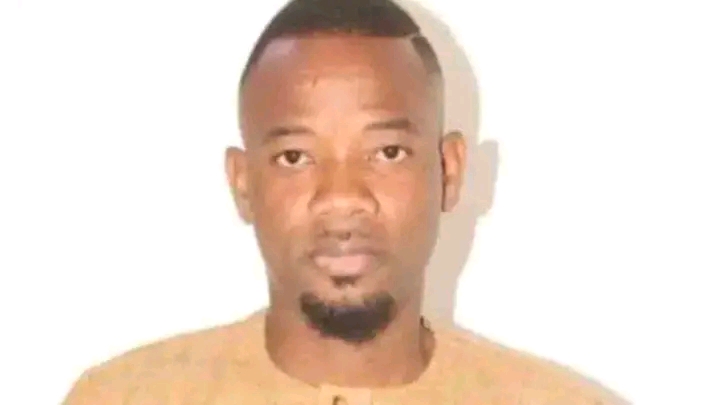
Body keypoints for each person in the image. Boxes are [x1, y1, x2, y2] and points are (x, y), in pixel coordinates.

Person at [62, 0, 624, 404]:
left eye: (387, 152)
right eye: (294, 157)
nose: (342, 198)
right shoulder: (122, 397)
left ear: (449, 171)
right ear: (243, 183)